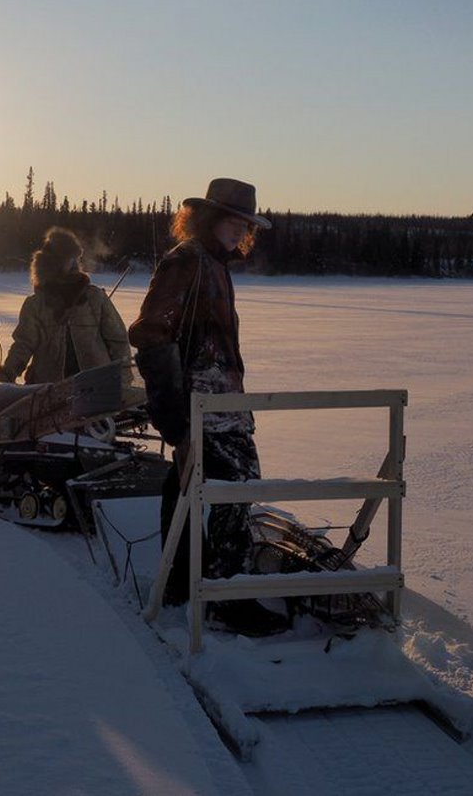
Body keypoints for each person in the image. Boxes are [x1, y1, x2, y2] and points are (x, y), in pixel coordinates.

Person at [128, 178, 287, 637]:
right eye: (233, 221)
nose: (240, 231)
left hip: (221, 402)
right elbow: (152, 335)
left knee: (187, 484)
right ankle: (228, 598)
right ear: (209, 218)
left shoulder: (214, 266)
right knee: (235, 486)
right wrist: (176, 421)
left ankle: (180, 582)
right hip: (203, 405)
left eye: (246, 224)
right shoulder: (188, 262)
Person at [0, 227, 130, 384]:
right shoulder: (36, 305)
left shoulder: (94, 297)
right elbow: (23, 345)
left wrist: (123, 377)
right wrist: (7, 374)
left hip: (95, 388)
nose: (74, 264)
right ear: (52, 264)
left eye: (75, 259)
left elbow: (117, 339)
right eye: (68, 259)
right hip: (49, 390)